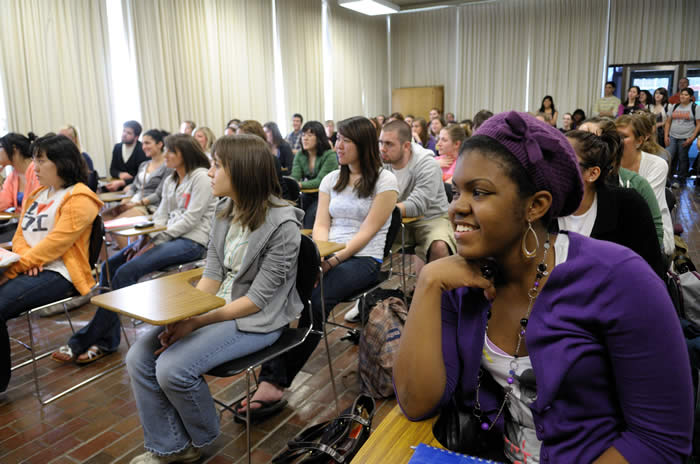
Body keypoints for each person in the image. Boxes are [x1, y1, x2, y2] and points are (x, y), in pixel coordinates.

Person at [394, 111, 693, 463]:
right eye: (456, 191)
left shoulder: (621, 281)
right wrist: (428, 283)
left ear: (536, 206)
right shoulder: (458, 283)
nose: (456, 208)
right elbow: (416, 403)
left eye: (479, 192)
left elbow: (657, 439)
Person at [125, 134, 303, 464]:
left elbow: (257, 300)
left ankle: (202, 435)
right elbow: (212, 276)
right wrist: (183, 316)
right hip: (219, 307)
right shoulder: (225, 209)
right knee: (138, 357)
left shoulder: (283, 224)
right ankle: (173, 447)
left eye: (217, 166)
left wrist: (196, 321)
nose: (209, 173)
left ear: (242, 172)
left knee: (172, 368)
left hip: (256, 318)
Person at [237, 116, 398, 420]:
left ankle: (275, 382)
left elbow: (367, 232)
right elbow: (321, 223)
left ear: (362, 145)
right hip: (329, 254)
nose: (337, 146)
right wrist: (318, 257)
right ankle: (270, 374)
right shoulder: (331, 180)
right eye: (337, 140)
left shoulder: (385, 182)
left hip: (364, 259)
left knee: (316, 302)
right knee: (282, 293)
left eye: (345, 141)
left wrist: (332, 261)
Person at [52, 134, 215, 365]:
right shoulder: (171, 179)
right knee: (110, 266)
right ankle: (107, 339)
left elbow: (191, 219)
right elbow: (161, 215)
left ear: (184, 154)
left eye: (171, 152)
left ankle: (84, 340)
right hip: (166, 237)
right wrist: (143, 240)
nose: (165, 155)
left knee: (126, 272)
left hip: (192, 242)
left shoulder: (200, 178)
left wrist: (155, 241)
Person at [0, 134, 102, 391]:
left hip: (61, 273)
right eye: (34, 159)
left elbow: (55, 245)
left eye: (41, 160)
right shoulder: (37, 195)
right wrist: (23, 260)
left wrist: (14, 268)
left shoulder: (81, 197)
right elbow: (20, 235)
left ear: (62, 162)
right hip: (30, 266)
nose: (35, 166)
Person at [559, 130, 664, 277]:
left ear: (592, 173)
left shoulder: (628, 207)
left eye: (562, 161)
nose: (552, 168)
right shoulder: (543, 208)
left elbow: (650, 275)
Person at [580, 117, 665, 252]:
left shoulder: (634, 188)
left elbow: (655, 233)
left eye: (587, 136)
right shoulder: (567, 187)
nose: (577, 142)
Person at [380, 120, 455, 263]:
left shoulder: (427, 164)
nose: (382, 148)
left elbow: (418, 205)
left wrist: (382, 209)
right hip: (398, 219)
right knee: (360, 236)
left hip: (430, 218)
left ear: (406, 146)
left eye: (389, 144)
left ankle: (431, 284)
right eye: (381, 142)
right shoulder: (382, 160)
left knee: (439, 246)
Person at [616, 114, 675, 256]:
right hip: (620, 230)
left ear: (639, 141)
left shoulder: (657, 164)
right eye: (615, 135)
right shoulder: (608, 163)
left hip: (653, 233)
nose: (617, 140)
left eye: (623, 136)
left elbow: (643, 206)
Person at [104, 129, 172, 248]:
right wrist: (126, 200)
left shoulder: (167, 167)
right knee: (103, 219)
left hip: (150, 206)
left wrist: (135, 204)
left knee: (117, 224)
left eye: (147, 143)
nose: (144, 146)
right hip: (134, 202)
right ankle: (108, 262)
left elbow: (158, 195)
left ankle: (126, 257)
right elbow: (134, 187)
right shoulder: (144, 165)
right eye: (143, 143)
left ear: (160, 144)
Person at [290, 121, 337, 229]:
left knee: (310, 217)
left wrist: (300, 185)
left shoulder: (329, 155)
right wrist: (294, 183)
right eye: (303, 135)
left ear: (319, 138)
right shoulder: (300, 155)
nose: (305, 138)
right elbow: (294, 177)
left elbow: (321, 181)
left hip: (327, 195)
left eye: (310, 135)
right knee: (291, 212)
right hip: (308, 194)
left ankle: (313, 243)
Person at [237, 120, 286, 199]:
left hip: (270, 204)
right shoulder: (237, 160)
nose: (237, 143)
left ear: (255, 139)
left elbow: (275, 193)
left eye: (241, 138)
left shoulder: (270, 160)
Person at [664, 88, 700, 187]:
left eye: (686, 95)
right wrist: (666, 135)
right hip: (672, 136)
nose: (682, 96)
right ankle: (667, 178)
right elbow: (668, 122)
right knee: (668, 156)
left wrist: (692, 138)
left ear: (691, 97)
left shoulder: (695, 107)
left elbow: (698, 124)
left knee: (682, 158)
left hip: (686, 137)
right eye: (681, 94)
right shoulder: (674, 106)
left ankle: (680, 179)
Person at [106, 121, 147, 191]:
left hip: (135, 187)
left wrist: (124, 182)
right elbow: (112, 169)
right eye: (124, 131)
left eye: (129, 133)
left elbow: (143, 176)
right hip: (116, 185)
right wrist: (120, 174)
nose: (124, 134)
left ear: (136, 137)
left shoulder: (143, 149)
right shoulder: (117, 147)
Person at [58, 125, 98, 192]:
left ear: (74, 139)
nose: (59, 142)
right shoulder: (59, 159)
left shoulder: (84, 157)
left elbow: (88, 184)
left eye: (64, 138)